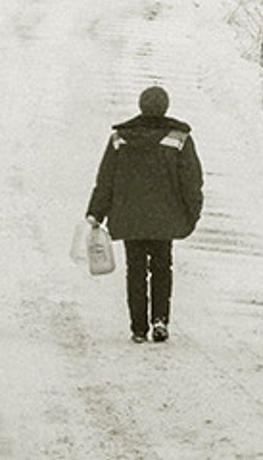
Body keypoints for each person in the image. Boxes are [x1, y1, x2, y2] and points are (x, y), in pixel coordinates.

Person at [86, 84, 203, 344]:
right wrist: (192, 212)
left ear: (141, 106)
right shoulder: (179, 138)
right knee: (162, 268)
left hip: (130, 215)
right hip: (165, 216)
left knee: (135, 270)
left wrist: (97, 212)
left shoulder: (120, 138)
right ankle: (160, 320)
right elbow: (191, 180)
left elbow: (106, 178)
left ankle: (138, 328)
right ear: (165, 107)